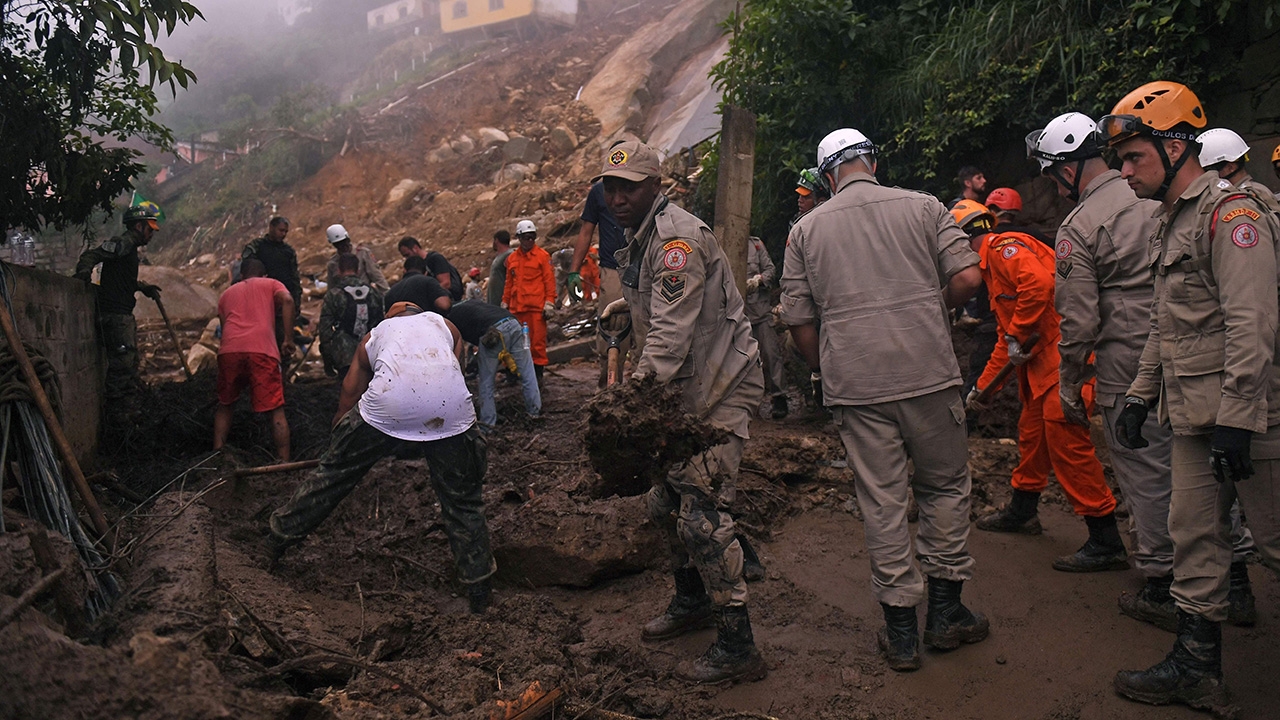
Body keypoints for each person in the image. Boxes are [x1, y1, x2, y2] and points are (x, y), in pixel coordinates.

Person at [1030, 111, 1258, 630]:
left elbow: (1080, 319)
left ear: (1067, 168)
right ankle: (1237, 580)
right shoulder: (1165, 201)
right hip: (1195, 353)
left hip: (1129, 362)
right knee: (1206, 470)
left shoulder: (1080, 225)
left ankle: (1161, 584)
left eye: (1051, 173)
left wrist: (1068, 381)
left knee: (1148, 474)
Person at [1100, 80, 1280, 715]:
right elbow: (1165, 321)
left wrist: (1237, 423)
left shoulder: (1231, 218)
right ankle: (1196, 664)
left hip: (1254, 417)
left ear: (1177, 146)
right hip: (1195, 417)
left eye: (1133, 158)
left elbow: (1251, 324)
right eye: (1120, 160)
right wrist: (1140, 396)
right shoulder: (1167, 221)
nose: (1123, 173)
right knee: (1193, 538)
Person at [781, 128, 986, 673]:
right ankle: (946, 614)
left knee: (882, 499)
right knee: (944, 487)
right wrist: (933, 312)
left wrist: (825, 365)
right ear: (871, 160)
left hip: (857, 385)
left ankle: (901, 634)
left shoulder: (806, 230)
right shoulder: (924, 207)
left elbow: (798, 319)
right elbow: (968, 276)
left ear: (827, 176)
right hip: (929, 374)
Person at [601, 140, 767, 684]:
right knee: (662, 503)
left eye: (628, 186)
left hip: (719, 387)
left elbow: (671, 332)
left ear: (655, 186)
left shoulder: (675, 238)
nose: (617, 196)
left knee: (701, 517)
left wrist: (630, 401)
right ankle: (692, 600)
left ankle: (738, 644)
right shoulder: (643, 236)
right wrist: (629, 306)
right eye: (610, 186)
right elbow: (667, 308)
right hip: (685, 389)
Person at [267, 293, 495, 614]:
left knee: (332, 477)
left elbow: (349, 396)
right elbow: (449, 375)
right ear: (420, 312)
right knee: (463, 501)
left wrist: (340, 443)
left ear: (389, 317)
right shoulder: (446, 326)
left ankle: (276, 538)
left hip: (387, 407)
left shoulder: (374, 336)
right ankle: (479, 586)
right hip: (451, 409)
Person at [955, 200, 1126, 572]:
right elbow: (1006, 339)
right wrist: (982, 392)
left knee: (1068, 445)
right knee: (1032, 435)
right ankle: (1023, 511)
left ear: (964, 239)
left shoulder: (1004, 249)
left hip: (1068, 365)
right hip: (1043, 371)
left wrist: (1018, 333)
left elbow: (1040, 284)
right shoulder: (993, 272)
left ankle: (1106, 538)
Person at [74, 201, 164, 400]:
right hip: (115, 317)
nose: (151, 234)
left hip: (121, 316)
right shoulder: (122, 244)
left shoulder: (129, 250)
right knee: (121, 370)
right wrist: (84, 272)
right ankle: (119, 416)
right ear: (138, 226)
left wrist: (141, 287)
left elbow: (121, 280)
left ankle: (129, 411)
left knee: (129, 366)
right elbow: (91, 255)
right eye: (149, 229)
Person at [213, 258, 295, 461]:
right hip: (262, 351)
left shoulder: (226, 294)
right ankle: (283, 462)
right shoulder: (271, 284)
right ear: (264, 275)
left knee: (225, 404)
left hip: (229, 351)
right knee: (275, 408)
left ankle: (216, 456)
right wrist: (288, 339)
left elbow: (224, 328)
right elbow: (288, 300)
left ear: (241, 276)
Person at [570, 179, 642, 387]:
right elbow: (586, 231)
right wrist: (574, 271)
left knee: (644, 332)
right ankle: (609, 390)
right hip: (613, 269)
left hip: (644, 266)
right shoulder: (599, 192)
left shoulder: (641, 188)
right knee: (613, 329)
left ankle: (643, 390)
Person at [446, 300, 541, 428]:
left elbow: (457, 348)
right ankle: (534, 413)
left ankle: (488, 424)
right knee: (528, 373)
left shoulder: (448, 319)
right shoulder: (469, 305)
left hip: (493, 332)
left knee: (486, 383)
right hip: (515, 324)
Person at [501, 220, 555, 389]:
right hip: (517, 309)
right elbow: (509, 283)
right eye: (526, 237)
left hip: (536, 309)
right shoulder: (512, 259)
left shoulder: (543, 257)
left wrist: (549, 303)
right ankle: (512, 374)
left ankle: (538, 375)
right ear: (519, 237)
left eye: (532, 237)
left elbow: (549, 281)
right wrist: (505, 302)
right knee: (512, 342)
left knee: (537, 343)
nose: (529, 241)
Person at [319, 253, 384, 378]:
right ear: (358, 270)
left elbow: (325, 330)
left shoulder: (334, 294)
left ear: (339, 270)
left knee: (348, 391)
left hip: (344, 355)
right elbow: (381, 325)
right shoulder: (374, 293)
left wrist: (328, 360)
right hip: (370, 353)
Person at [746, 235, 788, 419]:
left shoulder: (755, 245)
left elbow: (771, 270)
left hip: (760, 311)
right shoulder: (721, 243)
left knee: (771, 355)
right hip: (736, 315)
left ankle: (779, 397)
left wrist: (759, 280)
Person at [1197, 128, 1280, 214]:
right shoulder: (1234, 194)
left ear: (1230, 167)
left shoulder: (1250, 197)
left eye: (1209, 170)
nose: (1206, 175)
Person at [242, 217, 302, 312]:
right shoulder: (256, 246)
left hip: (282, 297)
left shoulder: (288, 251)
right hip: (261, 298)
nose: (283, 234)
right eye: (281, 230)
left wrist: (296, 305)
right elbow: (247, 270)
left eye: (286, 232)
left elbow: (294, 278)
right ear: (271, 227)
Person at [324, 224, 389, 294]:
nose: (341, 246)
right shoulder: (332, 264)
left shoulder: (363, 254)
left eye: (343, 242)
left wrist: (388, 296)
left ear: (348, 239)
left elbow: (378, 278)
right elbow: (331, 289)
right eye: (338, 244)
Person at [397, 236, 463, 301]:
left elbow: (446, 283)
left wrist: (425, 294)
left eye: (407, 255)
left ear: (415, 248)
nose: (407, 259)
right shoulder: (418, 265)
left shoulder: (435, 259)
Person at [386, 271, 453, 315]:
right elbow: (444, 305)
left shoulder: (390, 292)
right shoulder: (428, 280)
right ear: (426, 272)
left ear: (404, 271)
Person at [488, 230, 513, 306]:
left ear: (496, 240)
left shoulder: (509, 255)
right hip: (495, 301)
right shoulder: (501, 256)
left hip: (502, 301)